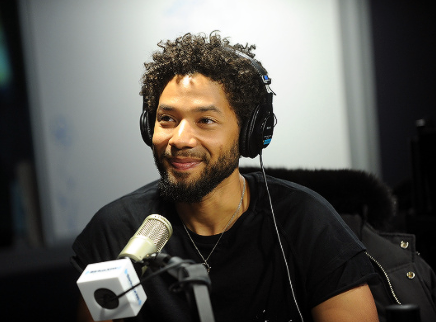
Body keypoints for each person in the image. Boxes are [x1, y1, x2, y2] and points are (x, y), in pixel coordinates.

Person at [71, 32, 379, 322]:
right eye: (167, 119)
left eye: (205, 120)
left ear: (249, 134)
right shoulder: (116, 231)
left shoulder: (305, 222)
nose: (180, 139)